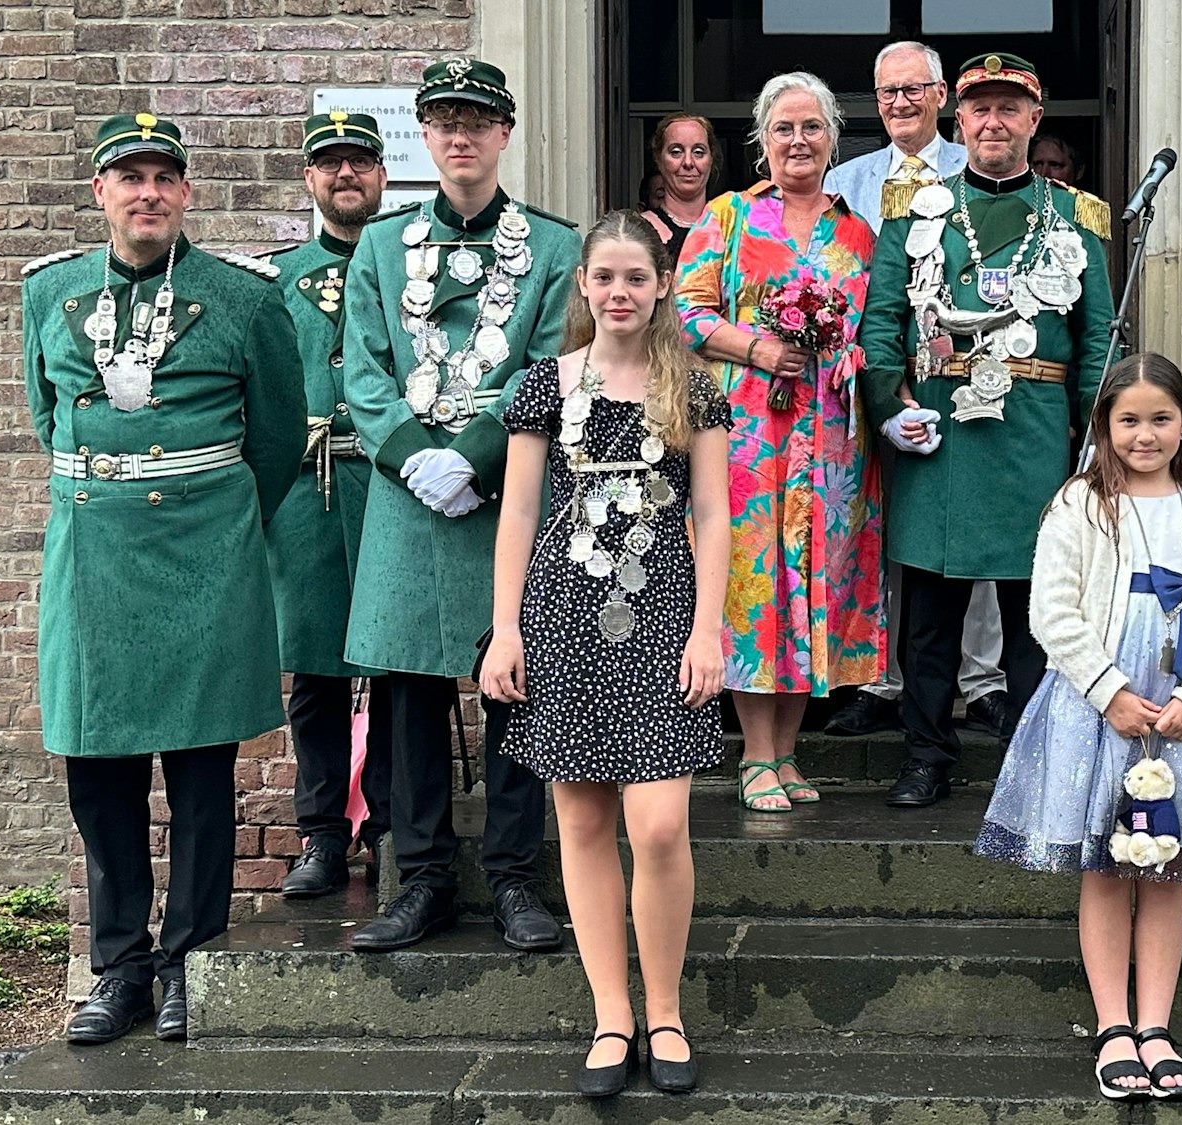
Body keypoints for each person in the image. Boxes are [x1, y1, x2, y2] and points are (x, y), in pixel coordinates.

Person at [21, 113, 305, 1044]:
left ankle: (189, 957)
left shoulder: (245, 298)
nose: (147, 193)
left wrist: (213, 521)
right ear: (100, 191)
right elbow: (46, 414)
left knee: (197, 768)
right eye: (128, 176)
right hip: (93, 559)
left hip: (203, 558)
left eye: (164, 177)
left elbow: (274, 440)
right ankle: (118, 966)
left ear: (186, 193)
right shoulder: (51, 292)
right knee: (98, 769)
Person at [977, 353, 1182, 1102]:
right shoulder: (1080, 504)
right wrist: (1108, 690)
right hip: (1099, 712)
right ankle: (1113, 1025)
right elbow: (1053, 609)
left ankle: (1157, 1025)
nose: (1145, 434)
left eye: (1161, 418)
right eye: (1129, 419)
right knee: (1108, 867)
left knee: (1167, 866)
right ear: (1105, 425)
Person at [481, 211, 728, 1098]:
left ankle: (665, 1007)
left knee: (658, 825)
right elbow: (514, 513)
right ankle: (611, 1014)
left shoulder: (692, 387)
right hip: (564, 611)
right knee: (582, 822)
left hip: (661, 610)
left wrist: (710, 628)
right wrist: (505, 627)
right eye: (605, 278)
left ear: (662, 285)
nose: (620, 292)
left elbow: (712, 515)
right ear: (583, 286)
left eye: (637, 277)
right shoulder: (545, 384)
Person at [341, 57, 582, 952]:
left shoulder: (556, 250)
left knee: (515, 684)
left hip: (509, 487)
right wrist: (412, 455)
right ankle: (424, 875)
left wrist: (475, 456)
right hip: (408, 498)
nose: (460, 135)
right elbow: (361, 367)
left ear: (505, 133)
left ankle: (517, 875)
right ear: (426, 134)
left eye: (476, 120)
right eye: (443, 120)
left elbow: (552, 362)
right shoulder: (378, 245)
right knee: (407, 689)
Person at [857, 51, 1114, 808]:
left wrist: (1094, 436)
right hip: (939, 430)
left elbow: (1099, 334)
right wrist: (887, 405)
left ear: (1035, 121)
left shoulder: (1075, 214)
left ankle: (1030, 759)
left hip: (1032, 431)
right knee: (930, 617)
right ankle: (925, 754)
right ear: (957, 119)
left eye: (1010, 108)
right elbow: (881, 322)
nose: (993, 121)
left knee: (1033, 616)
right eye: (980, 108)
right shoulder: (913, 214)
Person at [676, 71, 884, 813]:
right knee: (753, 589)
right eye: (784, 128)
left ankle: (789, 754)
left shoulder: (858, 232)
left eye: (813, 127)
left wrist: (852, 352)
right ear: (761, 141)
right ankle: (755, 757)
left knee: (813, 594)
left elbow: (873, 326)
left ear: (834, 139)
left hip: (830, 445)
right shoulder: (728, 218)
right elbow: (687, 313)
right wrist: (759, 349)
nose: (799, 141)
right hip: (749, 440)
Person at [818, 40, 1009, 742]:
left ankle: (982, 679)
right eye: (888, 91)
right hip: (866, 379)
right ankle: (880, 677)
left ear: (940, 97)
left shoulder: (977, 170)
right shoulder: (847, 180)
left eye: (913, 89)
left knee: (977, 533)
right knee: (884, 531)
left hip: (959, 376)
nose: (900, 102)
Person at [265, 111, 395, 899]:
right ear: (310, 179)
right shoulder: (274, 277)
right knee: (313, 673)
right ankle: (320, 833)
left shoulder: (406, 268)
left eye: (360, 162)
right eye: (330, 164)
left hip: (383, 486)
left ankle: (387, 824)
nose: (345, 175)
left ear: (383, 175)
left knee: (392, 668)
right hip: (305, 493)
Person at [639, 113, 715, 266]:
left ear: (711, 159)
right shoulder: (638, 230)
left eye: (698, 152)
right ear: (659, 160)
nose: (688, 162)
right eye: (676, 152)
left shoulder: (733, 224)